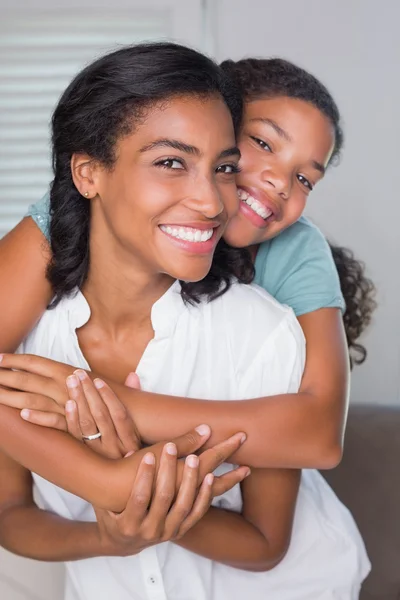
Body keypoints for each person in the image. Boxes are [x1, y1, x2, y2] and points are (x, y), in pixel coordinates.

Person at [0, 42, 369, 600]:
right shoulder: (67, 226)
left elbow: (319, 434)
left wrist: (108, 410)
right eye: (260, 145)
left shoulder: (287, 270)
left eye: (305, 178)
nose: (275, 182)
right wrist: (110, 490)